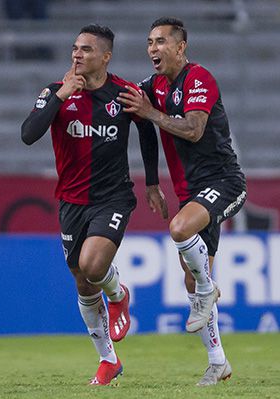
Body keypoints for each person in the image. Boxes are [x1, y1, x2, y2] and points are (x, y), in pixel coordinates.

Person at [21, 25, 166, 386]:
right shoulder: (55, 92)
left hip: (113, 197)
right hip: (71, 200)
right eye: (74, 48)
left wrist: (151, 182)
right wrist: (60, 96)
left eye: (85, 50)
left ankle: (118, 295)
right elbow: (28, 134)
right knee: (83, 282)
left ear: (105, 56)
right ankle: (108, 360)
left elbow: (147, 131)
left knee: (92, 263)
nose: (76, 55)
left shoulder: (125, 93)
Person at [118, 17, 247, 386]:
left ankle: (209, 290)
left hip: (225, 181)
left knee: (179, 229)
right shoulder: (153, 87)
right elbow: (144, 127)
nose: (152, 49)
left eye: (160, 41)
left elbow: (193, 129)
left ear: (180, 46)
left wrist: (151, 113)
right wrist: (153, 184)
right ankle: (218, 362)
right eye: (148, 42)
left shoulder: (199, 78)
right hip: (189, 191)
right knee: (191, 280)